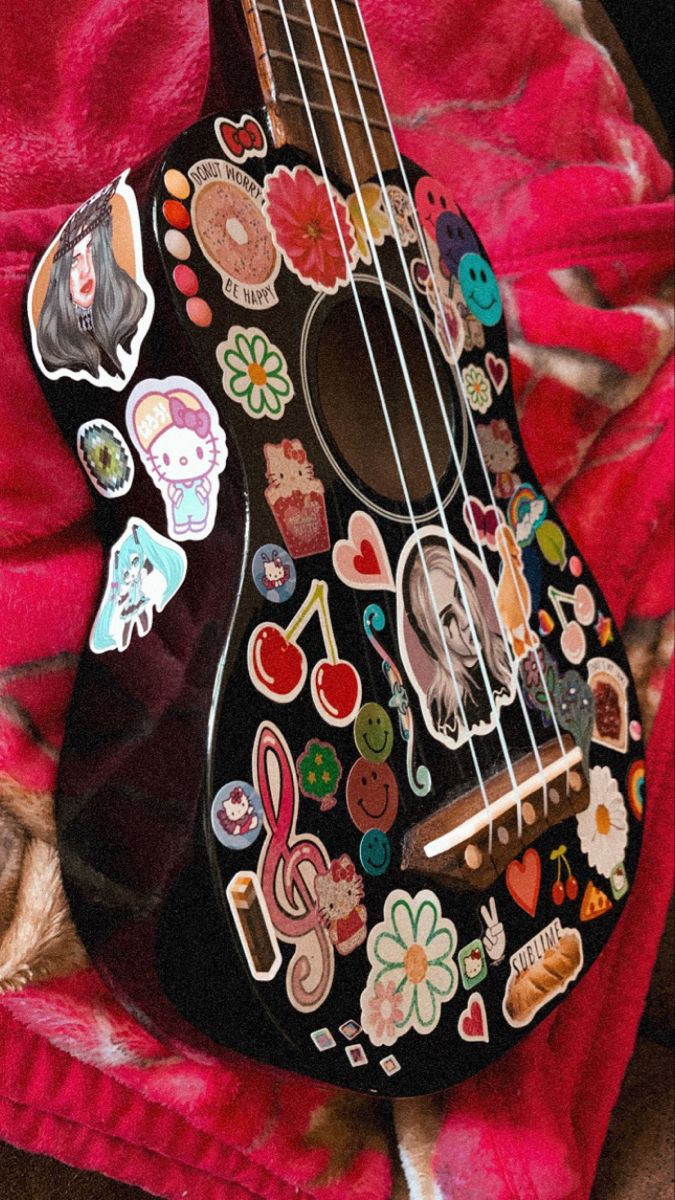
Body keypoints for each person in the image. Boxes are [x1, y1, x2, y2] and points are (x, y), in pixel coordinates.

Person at [403, 532, 513, 745]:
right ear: (432, 636)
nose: (465, 619)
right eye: (448, 618)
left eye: (461, 594)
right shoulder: (443, 712)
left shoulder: (511, 657)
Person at [36, 180, 147, 381]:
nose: (86, 269)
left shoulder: (133, 306)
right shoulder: (57, 344)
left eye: (93, 251)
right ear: (59, 276)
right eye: (74, 262)